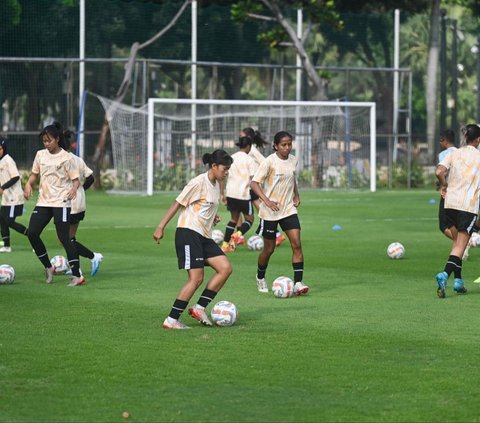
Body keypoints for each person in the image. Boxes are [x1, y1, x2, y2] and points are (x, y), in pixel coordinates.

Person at [154, 149, 234, 330]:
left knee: (225, 268)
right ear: (214, 166)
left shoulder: (215, 184)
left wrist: (212, 217)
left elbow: (202, 206)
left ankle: (199, 308)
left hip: (203, 235)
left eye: (228, 169)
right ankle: (171, 320)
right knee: (196, 278)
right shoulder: (198, 182)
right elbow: (178, 203)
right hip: (188, 233)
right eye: (225, 168)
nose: (226, 172)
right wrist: (161, 226)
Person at [23, 122, 84, 286]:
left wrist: (73, 189)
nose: (46, 144)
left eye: (49, 140)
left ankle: (77, 276)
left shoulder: (67, 158)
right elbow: (34, 175)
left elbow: (76, 181)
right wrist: (29, 185)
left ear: (57, 139)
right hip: (43, 202)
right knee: (32, 233)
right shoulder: (40, 155)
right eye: (44, 141)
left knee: (65, 238)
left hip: (61, 202)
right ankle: (48, 267)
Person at [250, 130, 309, 295]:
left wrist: (296, 194)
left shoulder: (293, 160)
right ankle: (260, 276)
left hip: (288, 209)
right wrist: (266, 201)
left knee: (296, 244)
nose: (287, 147)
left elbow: (292, 178)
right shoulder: (269, 162)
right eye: (283, 145)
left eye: (289, 144)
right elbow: (254, 183)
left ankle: (298, 283)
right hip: (269, 212)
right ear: (276, 146)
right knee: (269, 249)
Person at [435, 124, 480, 298]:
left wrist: (445, 185)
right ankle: (445, 274)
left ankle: (458, 281)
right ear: (478, 140)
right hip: (467, 206)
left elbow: (439, 171)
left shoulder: (454, 153)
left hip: (450, 203)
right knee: (461, 245)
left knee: (456, 243)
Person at [239, 127, 286, 247]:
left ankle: (277, 235)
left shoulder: (252, 150)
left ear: (248, 137)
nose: (240, 138)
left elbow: (264, 162)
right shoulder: (247, 151)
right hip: (251, 184)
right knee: (255, 210)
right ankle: (239, 236)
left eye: (242, 136)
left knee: (262, 211)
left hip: (255, 184)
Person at [65, 132, 103, 277]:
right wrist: (80, 189)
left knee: (65, 239)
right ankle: (76, 267)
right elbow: (91, 178)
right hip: (79, 203)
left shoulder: (64, 160)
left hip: (70, 204)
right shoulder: (77, 159)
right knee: (70, 238)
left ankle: (93, 257)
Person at [220, 135, 256, 252]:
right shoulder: (250, 160)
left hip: (231, 193)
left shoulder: (231, 158)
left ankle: (225, 245)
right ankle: (238, 234)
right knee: (250, 220)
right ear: (249, 146)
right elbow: (253, 179)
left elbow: (223, 176)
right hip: (244, 195)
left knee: (233, 220)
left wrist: (222, 194)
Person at [0, 137, 29, 252]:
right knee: (2, 220)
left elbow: (16, 177)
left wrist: (3, 187)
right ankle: (6, 246)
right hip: (6, 198)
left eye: (0, 148)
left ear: (4, 148)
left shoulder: (8, 160)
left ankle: (33, 237)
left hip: (14, 198)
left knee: (9, 221)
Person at [437, 129, 457, 241]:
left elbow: (441, 172)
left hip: (448, 193)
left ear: (444, 140)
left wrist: (443, 184)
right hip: (460, 192)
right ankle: (463, 243)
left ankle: (463, 243)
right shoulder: (460, 152)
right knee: (456, 223)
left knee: (444, 225)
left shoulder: (444, 154)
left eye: (440, 140)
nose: (440, 143)